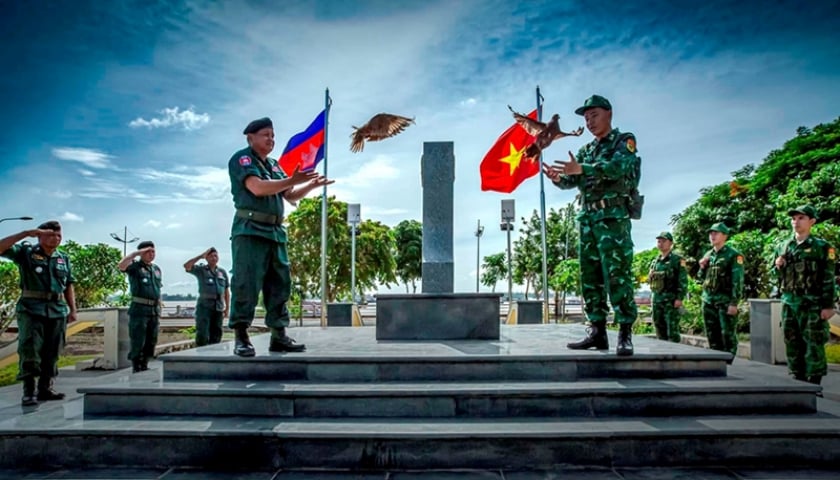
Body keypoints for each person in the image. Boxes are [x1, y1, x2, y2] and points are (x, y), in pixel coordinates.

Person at [542, 94, 642, 356]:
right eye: (586, 118)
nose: (589, 121)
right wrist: (557, 178)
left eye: (593, 115)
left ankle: (624, 333)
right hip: (587, 220)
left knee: (617, 274)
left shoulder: (624, 141)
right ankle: (596, 331)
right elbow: (572, 181)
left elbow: (619, 167)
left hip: (612, 220)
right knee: (591, 277)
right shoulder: (587, 150)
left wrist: (582, 169)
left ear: (608, 114)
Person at [228, 116, 333, 357]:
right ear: (250, 137)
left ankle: (279, 335)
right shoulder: (242, 159)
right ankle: (241, 336)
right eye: (266, 135)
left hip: (275, 232)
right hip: (250, 230)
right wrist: (292, 180)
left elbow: (290, 196)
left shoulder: (275, 165)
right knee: (247, 283)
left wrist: (310, 186)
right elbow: (257, 187)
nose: (271, 139)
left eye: (273, 135)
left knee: (280, 285)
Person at [0, 221, 77, 406]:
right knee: (30, 350)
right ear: (40, 235)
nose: (56, 238)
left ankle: (46, 388)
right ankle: (29, 391)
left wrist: (73, 309)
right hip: (31, 309)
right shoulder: (26, 253)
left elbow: (69, 285)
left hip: (57, 309)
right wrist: (25, 233)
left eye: (59, 235)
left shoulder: (63, 258)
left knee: (52, 351)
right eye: (50, 234)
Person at [772, 205, 836, 385]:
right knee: (791, 340)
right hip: (789, 301)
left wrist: (828, 305)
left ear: (812, 221)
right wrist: (777, 266)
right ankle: (797, 379)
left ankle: (814, 382)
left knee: (813, 342)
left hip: (811, 302)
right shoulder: (783, 246)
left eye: (801, 218)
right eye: (794, 218)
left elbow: (828, 277)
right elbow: (774, 276)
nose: (796, 222)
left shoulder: (822, 247)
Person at [696, 223, 743, 362]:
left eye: (716, 233)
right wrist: (702, 267)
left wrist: (734, 303)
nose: (712, 236)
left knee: (727, 333)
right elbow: (700, 278)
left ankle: (728, 361)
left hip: (724, 300)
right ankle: (716, 361)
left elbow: (737, 280)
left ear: (725, 236)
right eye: (711, 233)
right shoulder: (708, 254)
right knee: (712, 333)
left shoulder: (733, 255)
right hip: (708, 299)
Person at [118, 241, 161, 372]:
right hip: (139, 309)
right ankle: (137, 365)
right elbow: (121, 266)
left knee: (151, 340)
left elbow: (157, 289)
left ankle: (145, 363)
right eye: (147, 252)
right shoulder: (135, 267)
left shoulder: (156, 269)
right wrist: (136, 254)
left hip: (153, 310)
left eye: (153, 251)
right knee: (138, 339)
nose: (151, 254)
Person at [183, 247, 230, 346]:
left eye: (215, 255)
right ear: (206, 258)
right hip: (204, 306)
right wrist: (200, 256)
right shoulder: (201, 270)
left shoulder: (222, 272)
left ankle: (214, 356)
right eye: (211, 256)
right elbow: (187, 266)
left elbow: (226, 291)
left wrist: (227, 308)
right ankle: (201, 356)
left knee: (217, 333)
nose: (214, 258)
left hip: (218, 307)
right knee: (202, 333)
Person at [648, 232, 688, 343]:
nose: (660, 243)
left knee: (672, 331)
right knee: (659, 329)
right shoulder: (655, 261)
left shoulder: (677, 260)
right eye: (659, 241)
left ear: (670, 243)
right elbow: (652, 281)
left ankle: (674, 355)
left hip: (670, 300)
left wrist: (679, 298)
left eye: (663, 241)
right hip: (657, 300)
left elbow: (682, 280)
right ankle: (662, 355)